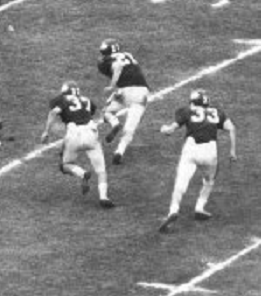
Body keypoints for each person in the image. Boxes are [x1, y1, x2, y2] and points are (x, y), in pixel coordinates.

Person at [158, 89, 237, 233]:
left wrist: (163, 129)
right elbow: (231, 128)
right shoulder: (216, 112)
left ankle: (173, 210)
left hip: (191, 149)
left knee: (181, 183)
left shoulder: (187, 110)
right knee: (209, 181)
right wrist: (232, 151)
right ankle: (200, 207)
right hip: (210, 152)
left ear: (193, 102)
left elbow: (170, 130)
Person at [40, 81, 114, 208]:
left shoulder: (61, 99)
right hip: (91, 133)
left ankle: (82, 173)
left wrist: (46, 131)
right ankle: (103, 197)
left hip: (73, 134)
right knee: (101, 171)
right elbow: (90, 113)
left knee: (65, 165)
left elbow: (53, 112)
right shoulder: (86, 100)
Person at [97, 38, 149, 165]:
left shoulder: (105, 62)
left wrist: (112, 85)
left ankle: (115, 123)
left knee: (106, 113)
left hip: (124, 91)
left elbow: (118, 66)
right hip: (142, 91)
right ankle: (119, 151)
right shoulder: (127, 55)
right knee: (130, 128)